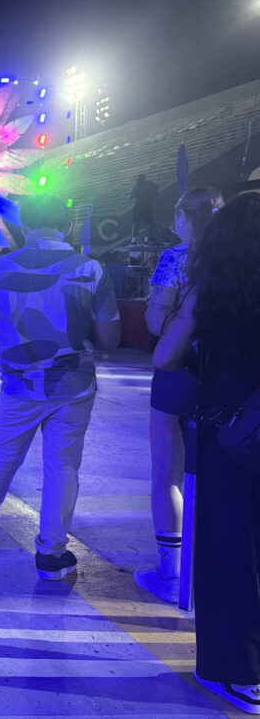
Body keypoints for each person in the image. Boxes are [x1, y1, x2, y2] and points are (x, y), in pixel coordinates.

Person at [0, 195, 121, 579]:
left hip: (18, 385)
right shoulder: (91, 269)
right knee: (62, 465)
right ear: (67, 225)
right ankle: (51, 554)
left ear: (24, 226)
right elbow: (110, 339)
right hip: (73, 386)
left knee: (2, 457)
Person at [154, 191, 260, 715]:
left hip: (232, 436)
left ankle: (237, 674)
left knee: (228, 549)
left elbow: (165, 355)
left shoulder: (213, 291)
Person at [136, 187, 223, 602]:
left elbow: (155, 322)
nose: (174, 226)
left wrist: (165, 314)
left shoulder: (176, 257)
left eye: (177, 217)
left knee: (167, 473)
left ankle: (171, 572)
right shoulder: (241, 257)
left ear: (189, 218)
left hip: (178, 372)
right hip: (227, 377)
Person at [130, 173, 159, 242]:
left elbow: (130, 197)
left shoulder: (136, 186)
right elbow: (156, 194)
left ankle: (133, 240)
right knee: (147, 224)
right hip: (148, 207)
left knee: (135, 223)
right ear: (145, 178)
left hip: (138, 207)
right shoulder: (150, 185)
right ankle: (146, 240)